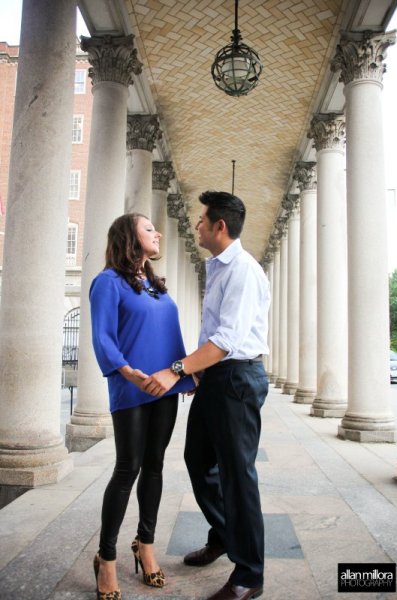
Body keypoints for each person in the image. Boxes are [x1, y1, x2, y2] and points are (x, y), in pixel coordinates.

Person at [143, 191, 270, 600]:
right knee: (198, 459)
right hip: (214, 380)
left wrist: (178, 369)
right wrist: (199, 373)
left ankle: (249, 575)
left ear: (220, 226)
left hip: (236, 379)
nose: (196, 224)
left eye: (201, 220)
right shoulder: (217, 267)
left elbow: (227, 338)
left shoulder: (243, 271)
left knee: (238, 476)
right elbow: (212, 330)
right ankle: (225, 536)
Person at [89, 213, 194, 600]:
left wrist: (185, 377)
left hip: (164, 390)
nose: (158, 233)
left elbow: (171, 335)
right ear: (129, 238)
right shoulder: (107, 282)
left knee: (155, 466)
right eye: (149, 228)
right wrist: (129, 373)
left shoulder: (158, 287)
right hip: (131, 389)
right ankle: (107, 558)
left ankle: (145, 546)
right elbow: (102, 336)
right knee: (127, 468)